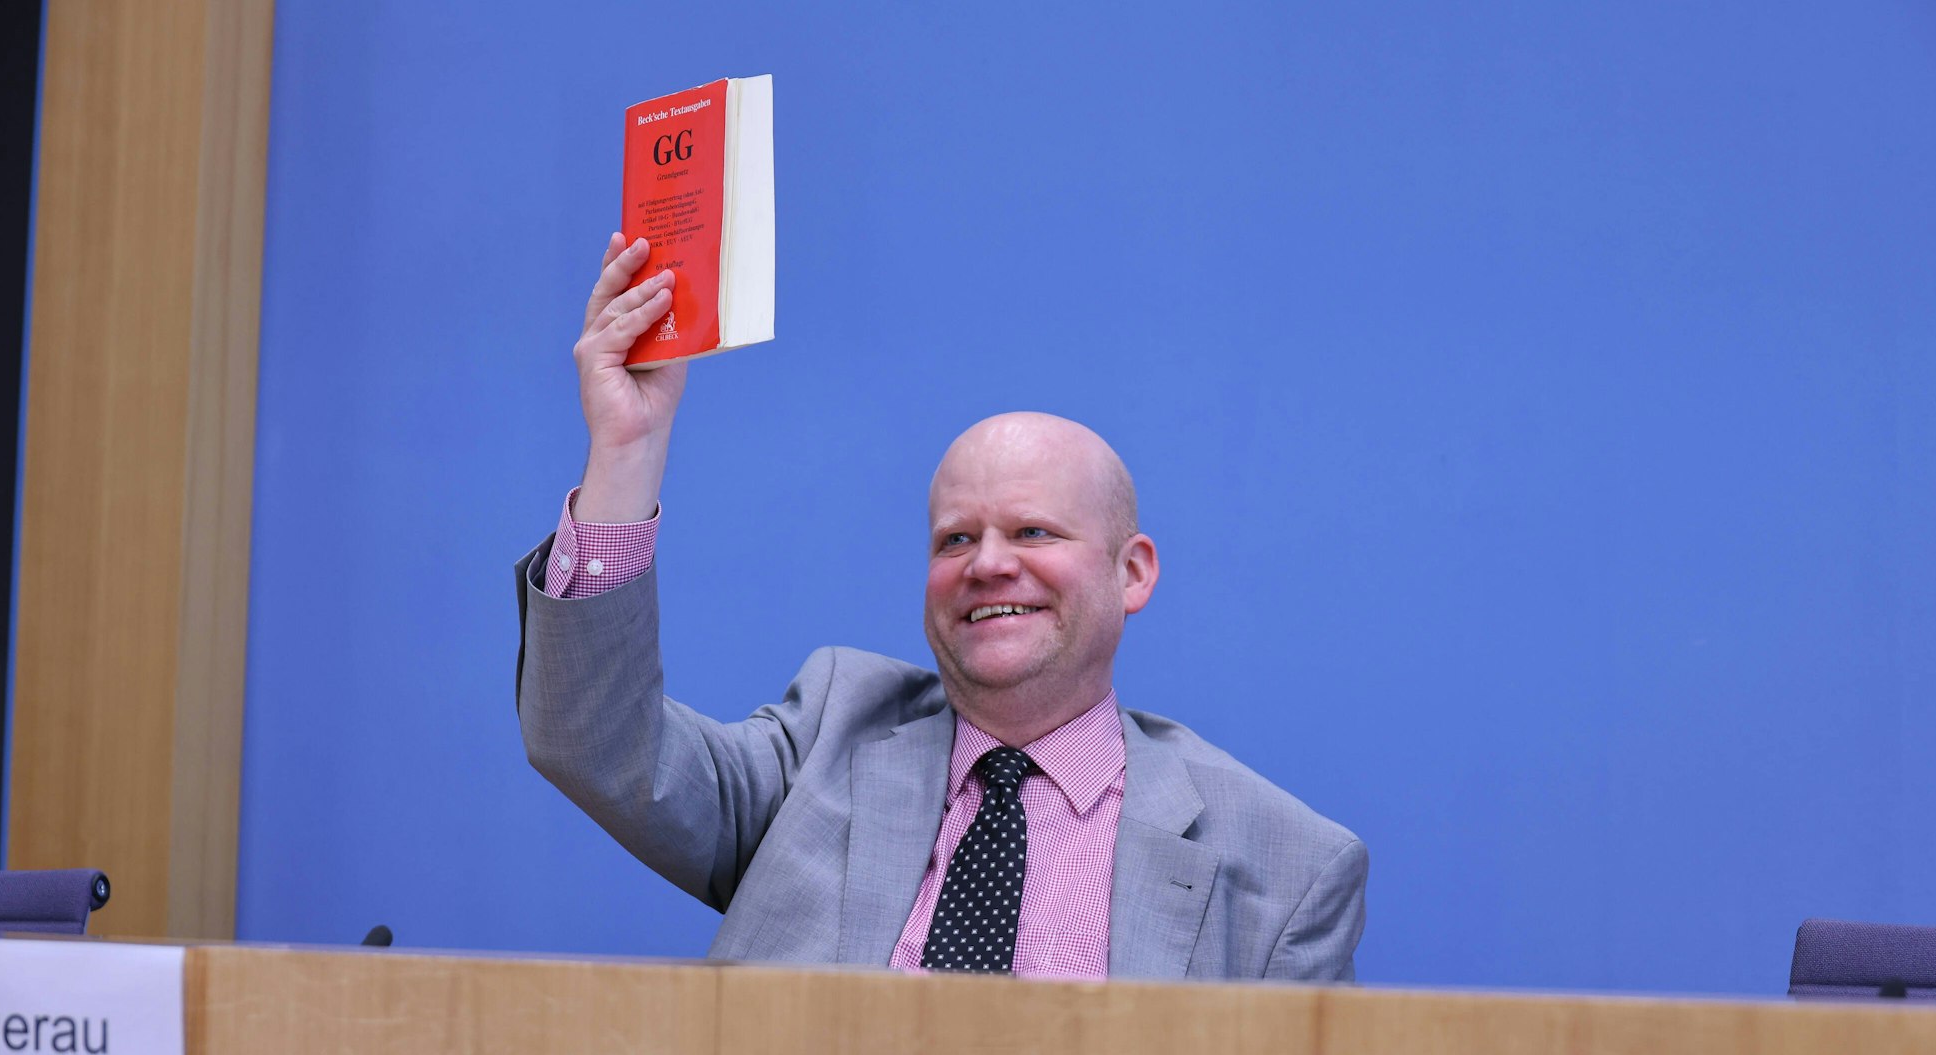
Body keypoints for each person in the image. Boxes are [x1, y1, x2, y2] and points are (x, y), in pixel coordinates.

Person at [514, 234, 1368, 980]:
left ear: (1133, 572)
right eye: (956, 539)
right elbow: (594, 743)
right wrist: (627, 451)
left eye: (1033, 531)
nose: (989, 564)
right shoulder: (825, 747)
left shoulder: (1285, 866)